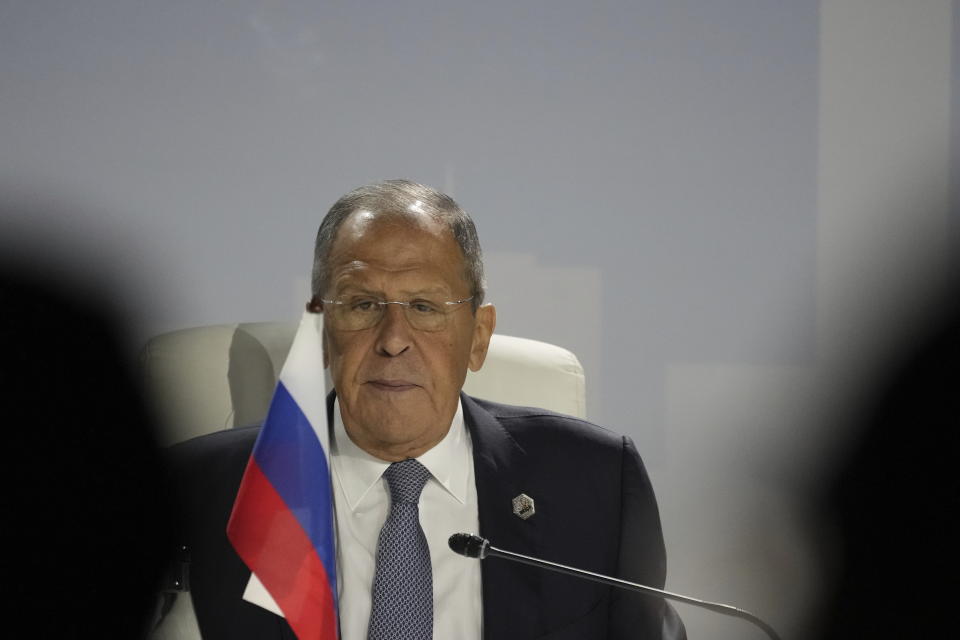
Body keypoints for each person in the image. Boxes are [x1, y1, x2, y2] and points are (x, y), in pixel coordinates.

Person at [169, 180, 685, 639]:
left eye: (424, 307)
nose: (394, 340)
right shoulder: (193, 488)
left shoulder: (595, 480)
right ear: (322, 330)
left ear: (478, 336)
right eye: (363, 305)